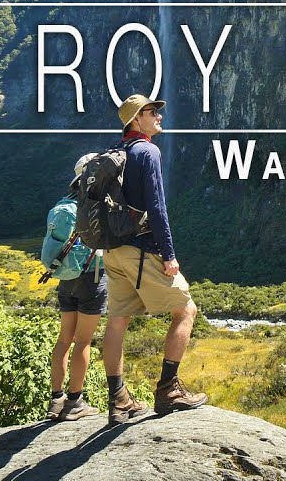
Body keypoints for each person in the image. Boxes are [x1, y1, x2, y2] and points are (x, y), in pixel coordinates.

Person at [101, 94, 207, 424]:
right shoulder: (148, 151)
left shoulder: (116, 151)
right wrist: (169, 255)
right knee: (186, 309)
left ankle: (119, 400)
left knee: (118, 320)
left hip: (113, 250)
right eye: (151, 111)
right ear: (136, 120)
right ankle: (169, 389)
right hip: (140, 250)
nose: (158, 115)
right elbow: (157, 208)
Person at [47, 155, 107, 422]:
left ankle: (55, 400)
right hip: (91, 278)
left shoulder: (64, 204)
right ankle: (75, 402)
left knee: (64, 339)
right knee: (83, 341)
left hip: (65, 278)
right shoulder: (96, 205)